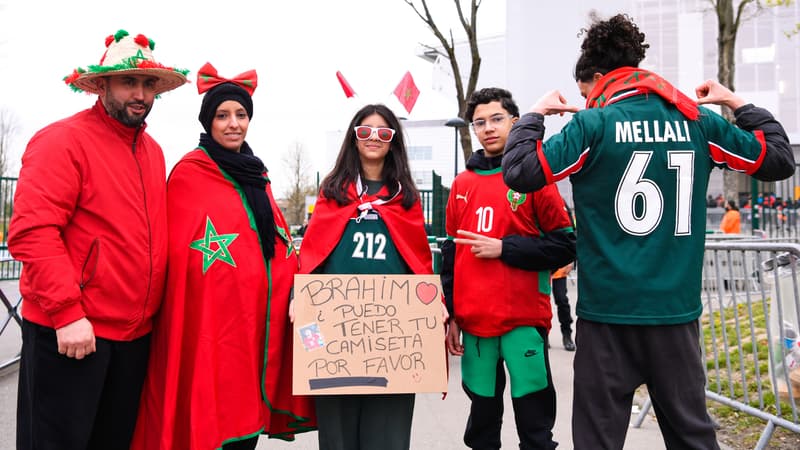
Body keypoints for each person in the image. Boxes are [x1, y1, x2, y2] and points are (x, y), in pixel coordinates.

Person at [502, 13, 795, 450]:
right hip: (674, 316)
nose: (586, 103)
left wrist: (534, 114)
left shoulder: (592, 126)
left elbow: (519, 170)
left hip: (607, 317)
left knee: (597, 441)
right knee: (694, 439)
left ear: (599, 79)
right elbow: (779, 160)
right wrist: (735, 102)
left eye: (587, 95)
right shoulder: (697, 121)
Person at [7, 29, 188, 450]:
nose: (140, 94)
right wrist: (68, 313)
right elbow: (32, 231)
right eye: (129, 82)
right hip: (71, 333)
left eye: (148, 84)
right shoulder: (62, 140)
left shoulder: (154, 151)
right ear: (103, 84)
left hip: (133, 339)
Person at [130, 63, 315, 450]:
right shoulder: (188, 174)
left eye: (241, 115)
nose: (234, 124)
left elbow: (278, 246)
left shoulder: (256, 174)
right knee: (209, 423)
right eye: (223, 115)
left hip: (255, 329)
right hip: (210, 329)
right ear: (208, 121)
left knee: (246, 424)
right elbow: (179, 260)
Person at [441, 87, 575, 450]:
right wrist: (451, 313)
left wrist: (505, 248)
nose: (488, 128)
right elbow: (451, 254)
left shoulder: (535, 179)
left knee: (535, 428)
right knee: (482, 427)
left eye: (497, 119)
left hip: (523, 322)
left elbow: (566, 245)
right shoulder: (461, 185)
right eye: (479, 122)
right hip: (475, 326)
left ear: (515, 122)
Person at [297, 104, 434, 450]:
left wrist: (437, 308)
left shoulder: (407, 201)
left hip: (393, 337)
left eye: (384, 133)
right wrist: (298, 300)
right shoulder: (332, 194)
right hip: (332, 334)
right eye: (365, 131)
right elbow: (311, 257)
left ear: (393, 142)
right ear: (354, 138)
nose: (374, 138)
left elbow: (420, 264)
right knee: (337, 438)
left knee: (387, 438)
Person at [551, 198, 577, 352]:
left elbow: (571, 233)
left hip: (559, 261)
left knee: (561, 299)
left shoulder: (560, 202)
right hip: (538, 260)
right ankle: (542, 337)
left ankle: (567, 334)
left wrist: (571, 260)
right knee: (540, 303)